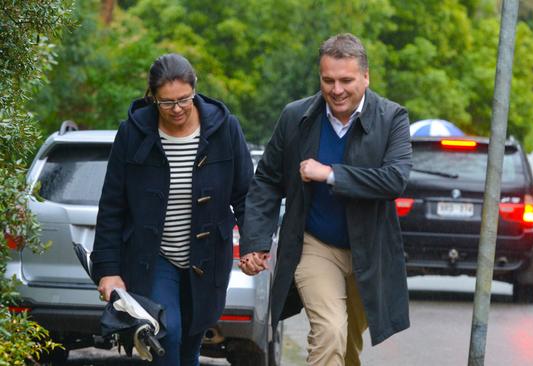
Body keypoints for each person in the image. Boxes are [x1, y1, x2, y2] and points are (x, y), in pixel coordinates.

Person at [239, 33, 412, 366]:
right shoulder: (296, 117)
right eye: (327, 80)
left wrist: (329, 173)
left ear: (366, 76)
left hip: (369, 251)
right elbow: (267, 181)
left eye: (346, 80)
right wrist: (255, 241)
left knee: (347, 347)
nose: (336, 90)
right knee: (330, 331)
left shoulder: (392, 119)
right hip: (314, 245)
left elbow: (395, 179)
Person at [91, 53, 253, 366]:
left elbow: (245, 194)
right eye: (167, 102)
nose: (177, 109)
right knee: (168, 333)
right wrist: (108, 270)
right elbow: (113, 204)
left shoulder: (224, 129)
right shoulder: (132, 133)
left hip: (206, 256)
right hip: (154, 255)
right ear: (152, 97)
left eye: (184, 99)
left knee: (193, 338)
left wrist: (253, 245)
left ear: (195, 90)